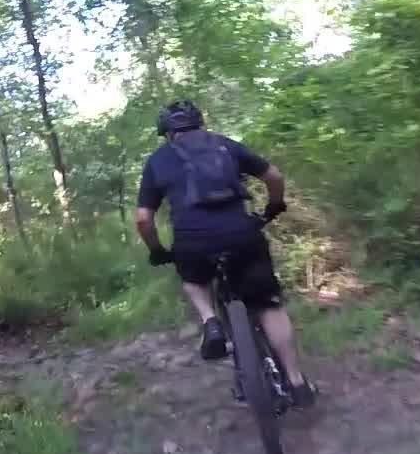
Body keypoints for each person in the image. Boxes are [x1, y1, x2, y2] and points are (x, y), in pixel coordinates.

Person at [133, 99, 315, 407]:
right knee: (267, 304)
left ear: (166, 132)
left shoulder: (158, 160)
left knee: (193, 280)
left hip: (194, 242)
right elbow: (274, 177)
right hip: (242, 235)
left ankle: (210, 321)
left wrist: (158, 251)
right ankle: (297, 383)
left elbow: (143, 219)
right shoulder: (225, 145)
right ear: (200, 123)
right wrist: (274, 206)